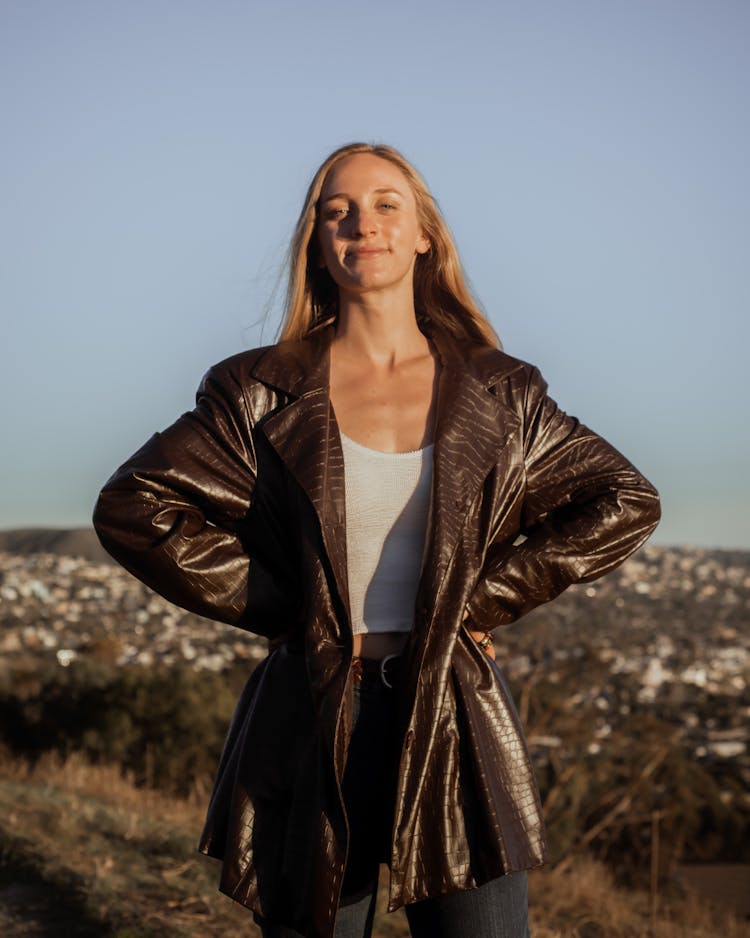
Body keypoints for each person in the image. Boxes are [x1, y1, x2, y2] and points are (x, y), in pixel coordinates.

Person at [93, 142, 660, 938]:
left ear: (425, 232)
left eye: (388, 204)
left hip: (452, 712)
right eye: (339, 210)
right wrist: (289, 607)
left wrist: (480, 597)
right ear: (318, 242)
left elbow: (625, 498)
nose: (365, 224)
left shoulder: (503, 390)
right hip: (313, 713)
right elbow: (134, 504)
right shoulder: (257, 388)